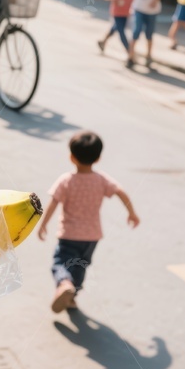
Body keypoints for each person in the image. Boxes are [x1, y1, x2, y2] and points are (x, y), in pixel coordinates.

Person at [37, 131, 140, 313]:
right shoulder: (101, 180)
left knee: (60, 263)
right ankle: (72, 297)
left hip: (69, 234)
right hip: (92, 236)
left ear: (71, 157)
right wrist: (132, 213)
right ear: (98, 158)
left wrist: (43, 224)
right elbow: (120, 191)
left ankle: (64, 284)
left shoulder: (66, 181)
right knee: (80, 266)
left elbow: (53, 202)